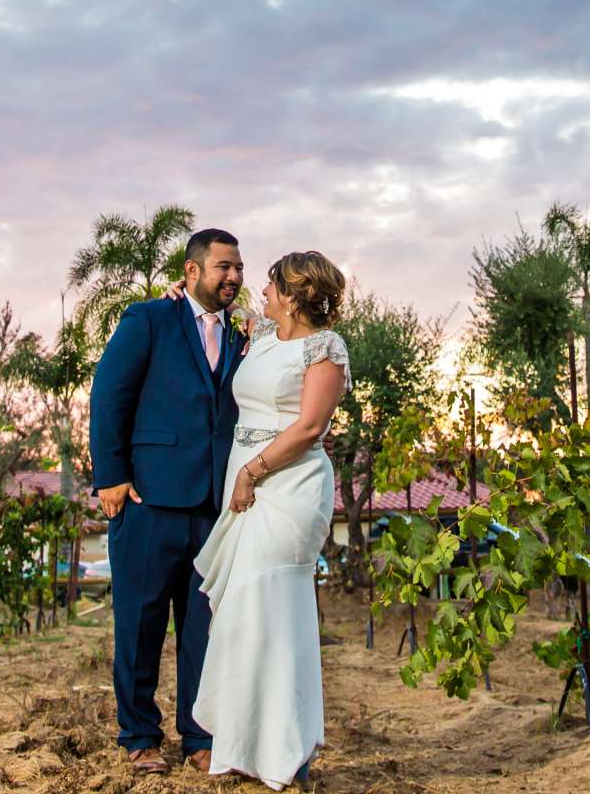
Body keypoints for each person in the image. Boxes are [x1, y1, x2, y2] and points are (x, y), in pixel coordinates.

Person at [88, 228, 248, 775]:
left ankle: (200, 736)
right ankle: (138, 735)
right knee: (141, 622)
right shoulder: (148, 319)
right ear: (192, 270)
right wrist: (110, 475)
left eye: (238, 268)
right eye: (223, 267)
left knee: (206, 627)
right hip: (147, 499)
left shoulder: (242, 337)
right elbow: (110, 392)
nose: (232, 277)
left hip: (215, 504)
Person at [189, 250, 348, 790]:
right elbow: (206, 307)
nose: (261, 290)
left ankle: (289, 753)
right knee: (240, 614)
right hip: (246, 479)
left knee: (274, 611)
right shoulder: (259, 336)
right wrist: (176, 295)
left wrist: (251, 473)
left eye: (271, 284)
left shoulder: (325, 348)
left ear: (294, 293)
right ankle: (241, 745)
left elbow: (309, 428)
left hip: (288, 487)